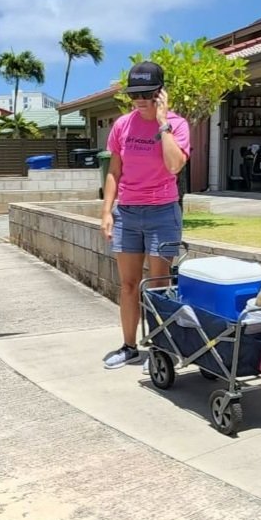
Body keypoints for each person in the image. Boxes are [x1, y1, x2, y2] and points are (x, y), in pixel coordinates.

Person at [100, 61, 191, 369]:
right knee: (127, 285)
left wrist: (163, 122)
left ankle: (160, 349)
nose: (140, 100)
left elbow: (174, 165)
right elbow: (114, 170)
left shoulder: (177, 125)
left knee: (159, 285)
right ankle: (128, 346)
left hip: (163, 212)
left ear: (160, 93)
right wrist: (107, 211)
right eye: (134, 94)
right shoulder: (122, 125)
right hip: (127, 212)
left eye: (147, 93)